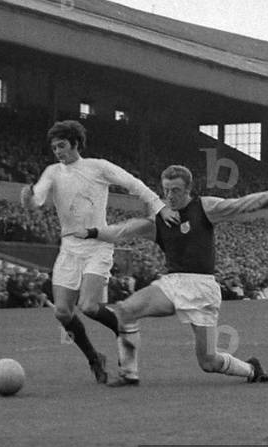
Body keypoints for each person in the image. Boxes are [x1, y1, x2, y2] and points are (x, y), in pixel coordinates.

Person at [64, 164, 268, 386]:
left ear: (188, 189)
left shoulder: (205, 207)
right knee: (126, 310)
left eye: (176, 190)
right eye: (166, 190)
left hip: (203, 287)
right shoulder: (159, 220)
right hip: (173, 283)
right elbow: (123, 230)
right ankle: (129, 373)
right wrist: (91, 232)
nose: (169, 196)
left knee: (208, 362)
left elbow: (242, 203)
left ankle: (251, 370)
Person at [20, 120, 179, 383]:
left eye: (62, 146)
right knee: (62, 312)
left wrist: (159, 208)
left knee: (90, 307)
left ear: (76, 144)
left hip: (98, 244)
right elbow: (37, 199)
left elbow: (133, 183)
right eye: (54, 148)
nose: (58, 152)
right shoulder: (52, 172)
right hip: (69, 247)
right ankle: (95, 358)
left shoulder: (98, 167)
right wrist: (28, 198)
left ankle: (124, 329)